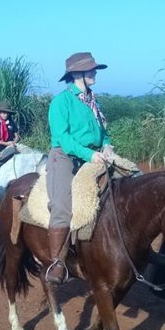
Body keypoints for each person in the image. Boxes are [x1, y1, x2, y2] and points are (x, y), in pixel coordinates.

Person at [45, 52, 113, 285]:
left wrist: (107, 145)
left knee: (130, 178)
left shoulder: (93, 101)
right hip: (65, 157)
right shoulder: (61, 102)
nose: (95, 73)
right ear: (77, 74)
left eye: (94, 69)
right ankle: (57, 262)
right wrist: (90, 154)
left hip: (93, 154)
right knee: (62, 204)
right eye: (90, 69)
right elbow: (63, 138)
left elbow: (103, 131)